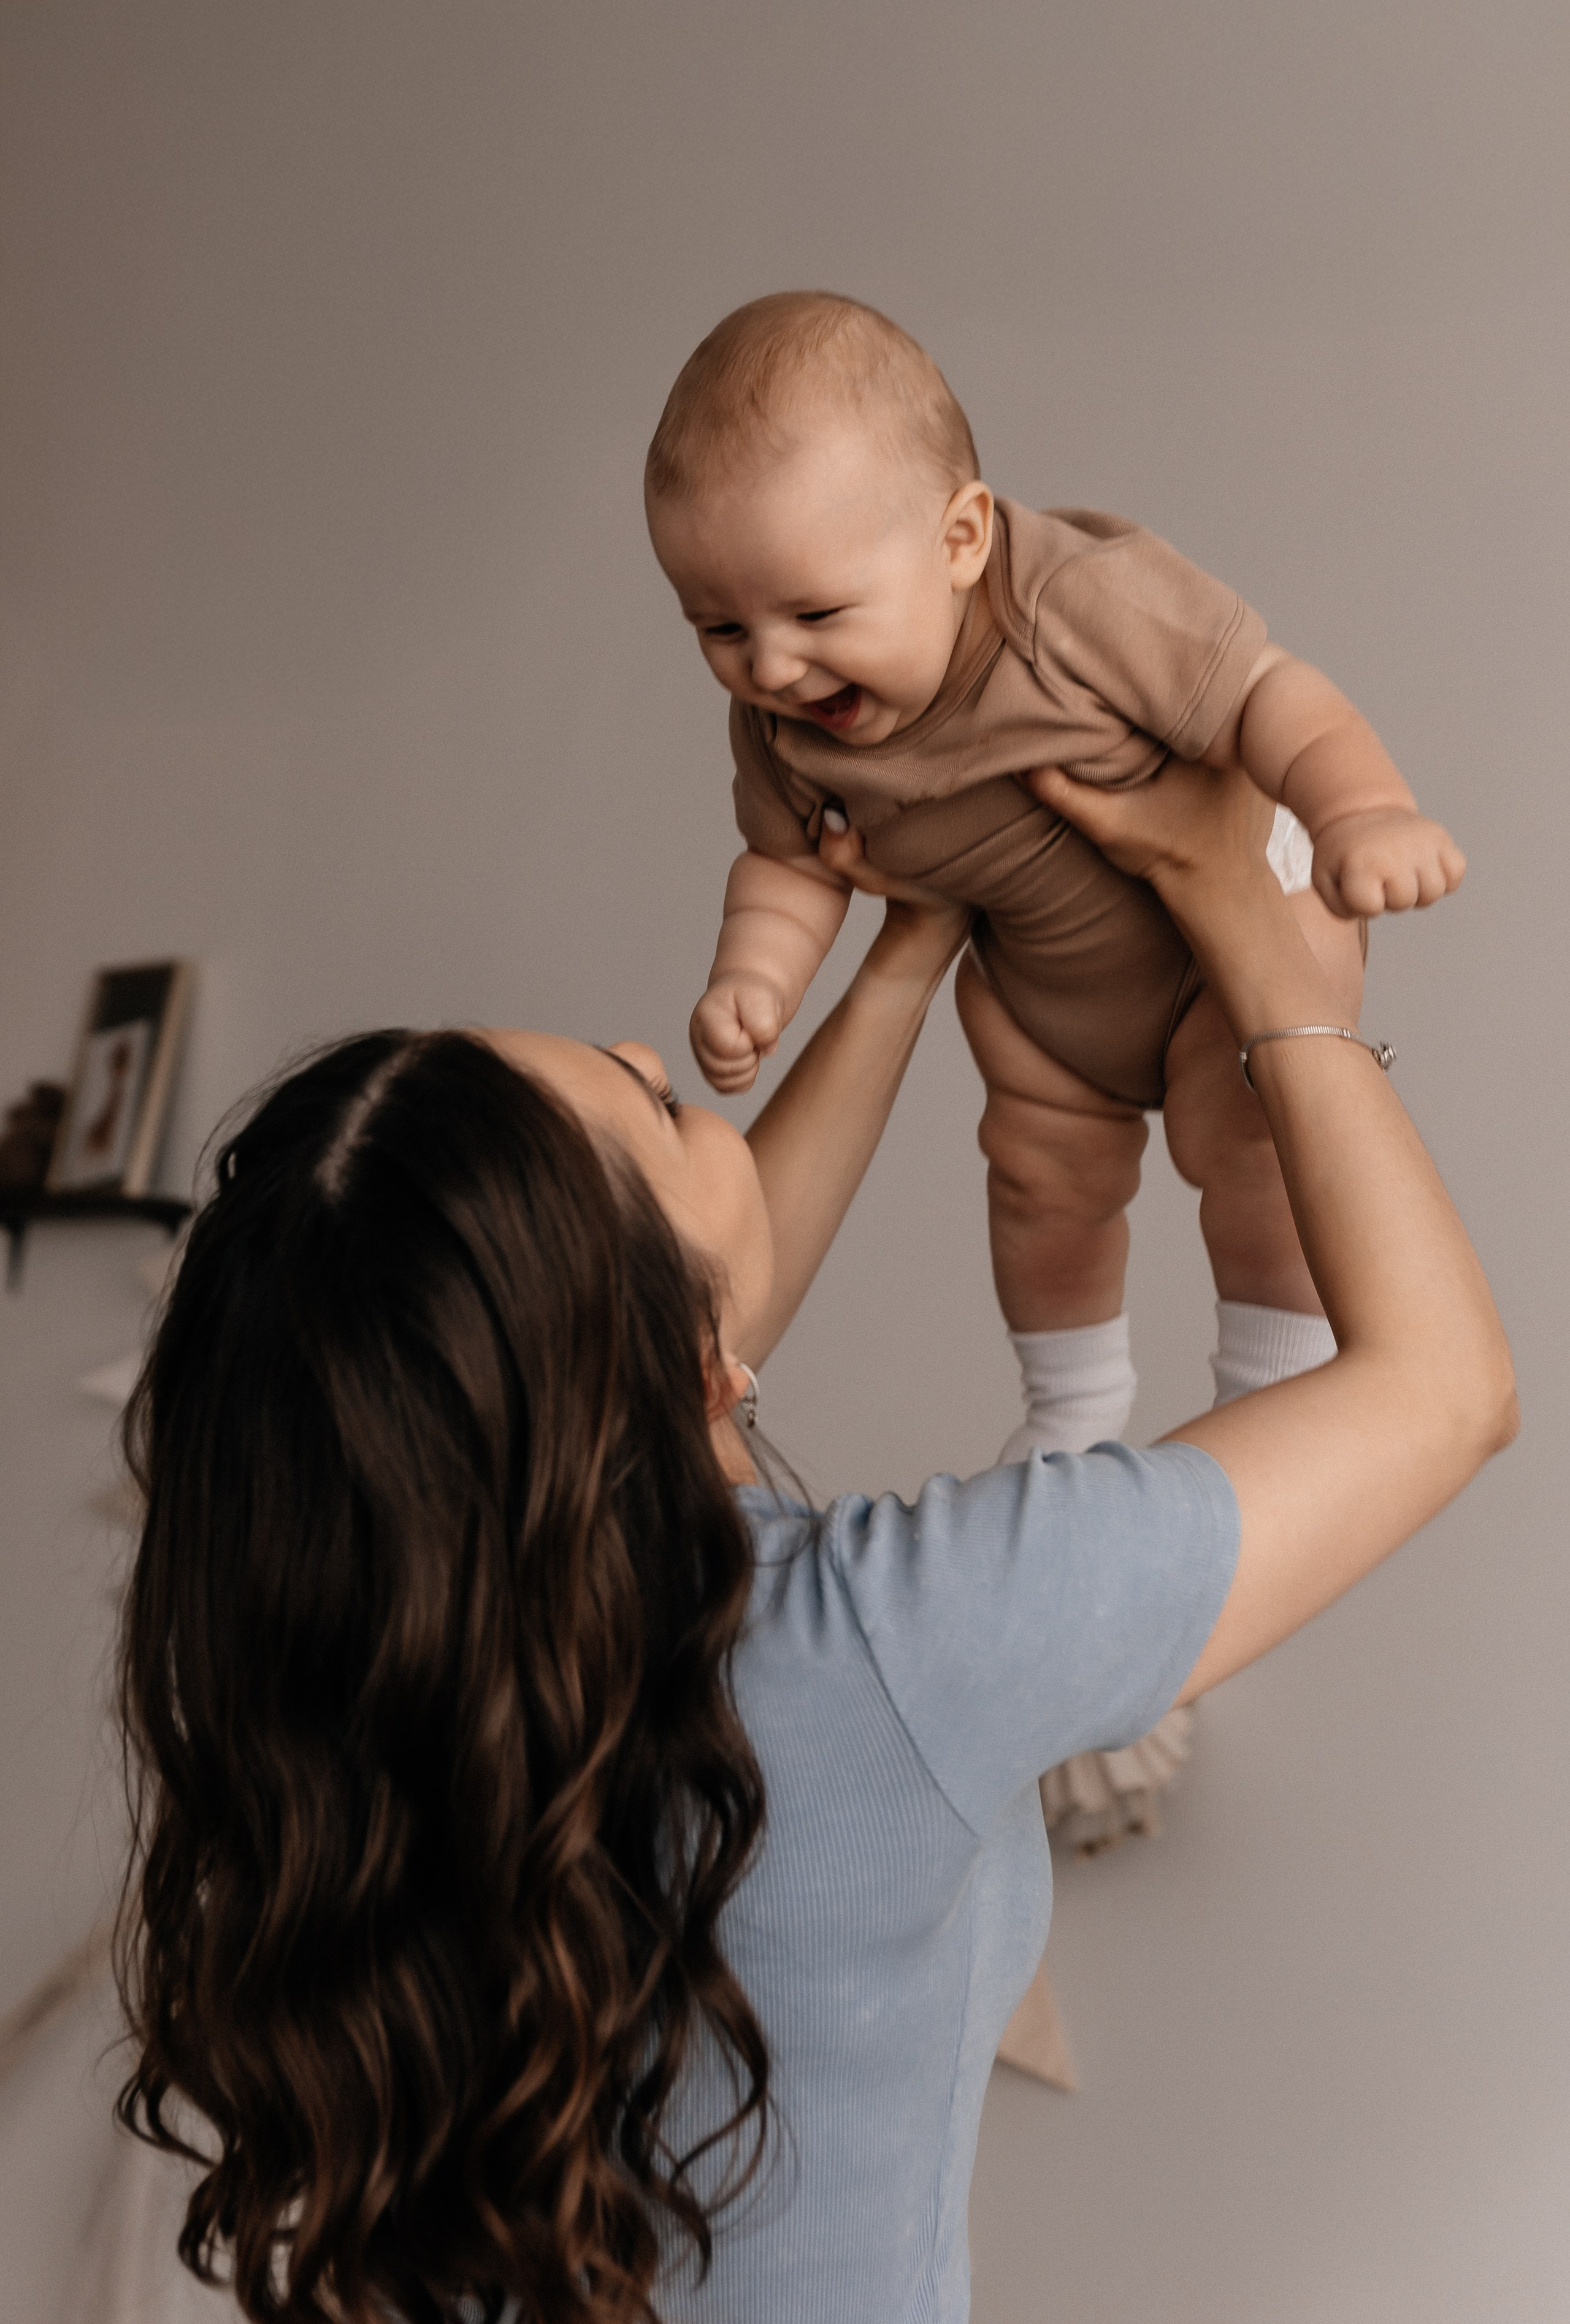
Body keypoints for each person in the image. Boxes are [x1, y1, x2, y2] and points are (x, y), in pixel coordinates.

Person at [113, 759, 1513, 2324]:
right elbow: (1441, 1389)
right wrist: (1253, 936)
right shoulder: (880, 1646)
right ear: (664, 1353)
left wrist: (910, 949)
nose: (652, 1054)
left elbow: (648, 1348)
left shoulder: (404, 1650)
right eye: (654, 1108)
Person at [645, 289, 1466, 1463]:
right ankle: (1071, 1409)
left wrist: (1363, 810)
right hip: (1042, 992)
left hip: (1232, 936)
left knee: (1254, 1143)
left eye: (816, 612)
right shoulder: (785, 724)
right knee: (1037, 1185)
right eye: (719, 630)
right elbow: (789, 864)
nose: (772, 666)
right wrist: (756, 978)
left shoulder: (1072, 602)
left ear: (962, 540)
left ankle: (1269, 1388)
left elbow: (1269, 693)